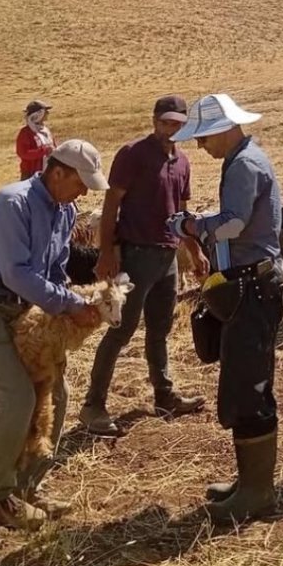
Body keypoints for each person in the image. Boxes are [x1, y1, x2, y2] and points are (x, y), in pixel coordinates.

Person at [0, 140, 110, 530]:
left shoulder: (65, 210)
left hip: (22, 311)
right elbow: (16, 273)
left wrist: (66, 310)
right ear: (58, 171)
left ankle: (27, 488)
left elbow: (55, 270)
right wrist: (69, 304)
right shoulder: (11, 204)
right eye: (81, 182)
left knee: (55, 394)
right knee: (17, 399)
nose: (84, 191)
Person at [166, 93, 283, 525]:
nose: (200, 146)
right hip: (254, 283)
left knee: (248, 386)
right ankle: (250, 482)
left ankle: (258, 492)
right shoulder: (246, 160)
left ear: (223, 129)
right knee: (244, 381)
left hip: (252, 287)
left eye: (203, 137)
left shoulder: (242, 165)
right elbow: (238, 218)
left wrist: (190, 226)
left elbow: (233, 224)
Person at [80, 96, 209, 434]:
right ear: (154, 120)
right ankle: (93, 406)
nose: (172, 129)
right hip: (135, 256)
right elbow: (111, 205)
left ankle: (164, 396)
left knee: (160, 329)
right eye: (167, 122)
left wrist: (194, 252)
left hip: (167, 258)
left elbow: (181, 215)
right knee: (121, 331)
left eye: (179, 124)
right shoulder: (132, 154)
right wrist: (106, 252)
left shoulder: (182, 163)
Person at [16, 100, 56, 180]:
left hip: (47, 172)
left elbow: (53, 146)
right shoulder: (25, 133)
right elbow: (23, 153)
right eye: (46, 111)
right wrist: (44, 151)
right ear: (38, 114)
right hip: (30, 175)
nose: (48, 114)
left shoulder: (46, 131)